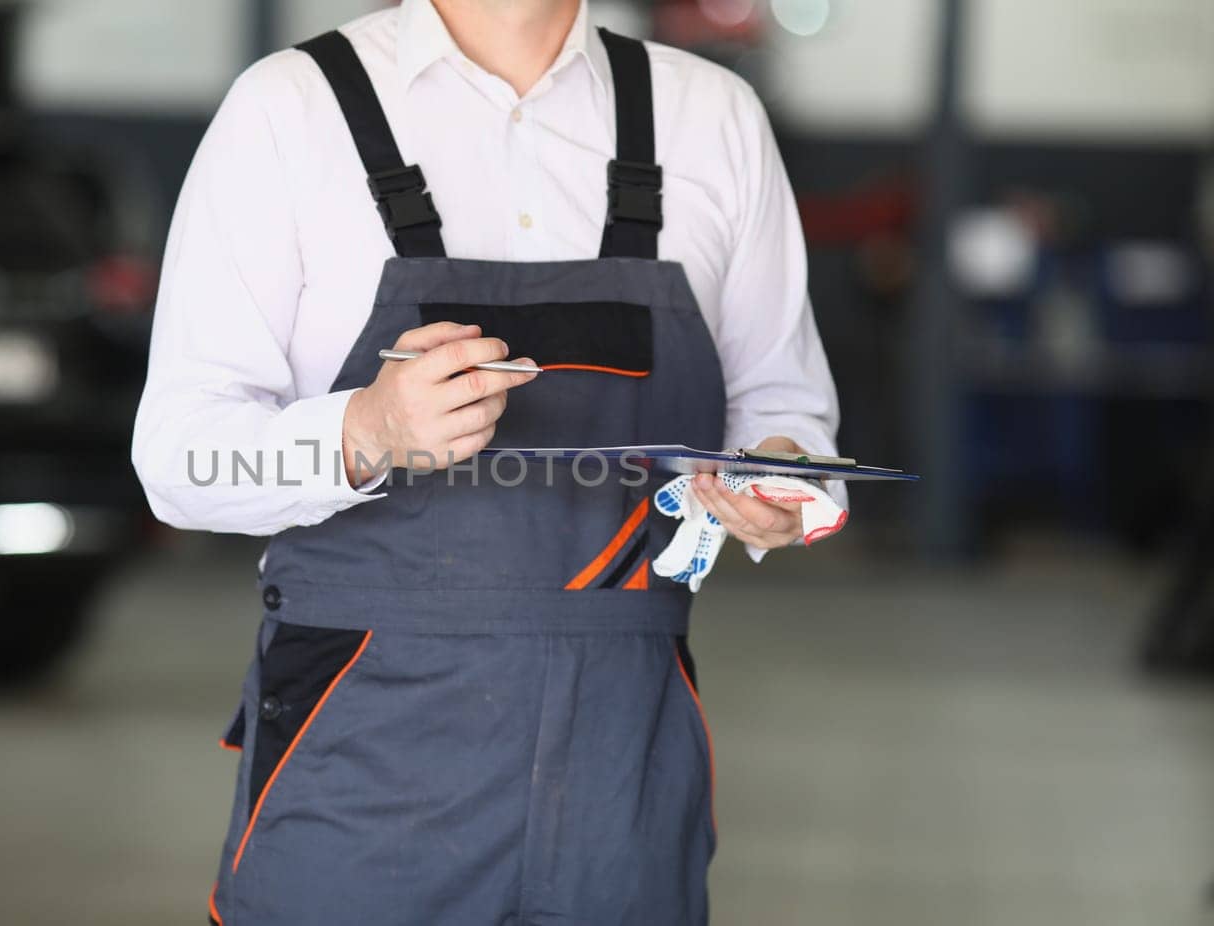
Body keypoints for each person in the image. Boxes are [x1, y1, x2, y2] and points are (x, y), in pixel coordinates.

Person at [133, 1, 842, 922]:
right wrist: (366, 434)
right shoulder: (290, 110)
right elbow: (178, 459)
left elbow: (786, 414)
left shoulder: (711, 118)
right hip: (365, 759)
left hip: (624, 771)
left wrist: (785, 481)